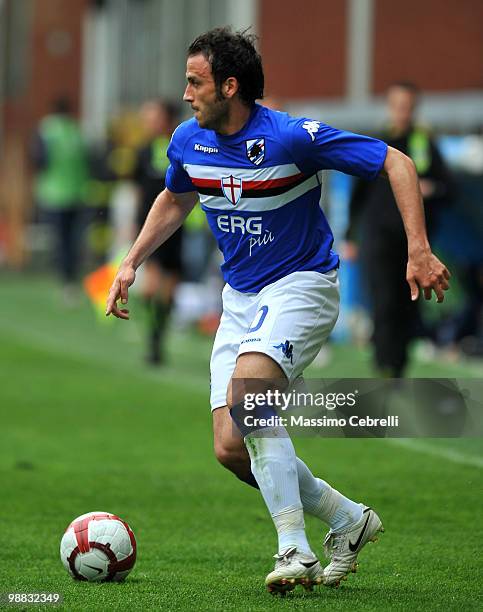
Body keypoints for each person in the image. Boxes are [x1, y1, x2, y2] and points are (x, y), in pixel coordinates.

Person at [106, 28, 450, 594]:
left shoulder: (292, 136)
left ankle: (294, 548)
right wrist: (131, 262)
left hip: (303, 285)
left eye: (195, 82)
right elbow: (175, 195)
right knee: (230, 446)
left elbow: (397, 163)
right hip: (240, 299)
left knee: (251, 395)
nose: (186, 93)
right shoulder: (188, 141)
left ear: (230, 86)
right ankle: (347, 519)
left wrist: (418, 247)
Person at [346, 82, 453, 376]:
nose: (402, 112)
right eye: (397, 105)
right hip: (378, 237)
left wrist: (431, 189)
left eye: (407, 106)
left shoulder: (424, 144)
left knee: (410, 304)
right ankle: (383, 365)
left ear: (414, 108)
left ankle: (399, 368)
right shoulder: (378, 143)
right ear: (389, 106)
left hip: (414, 244)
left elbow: (449, 189)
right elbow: (358, 194)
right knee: (384, 301)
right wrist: (349, 236)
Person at [132, 100, 183, 364]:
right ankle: (153, 341)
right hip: (151, 227)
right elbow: (138, 190)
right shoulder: (142, 151)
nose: (149, 122)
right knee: (150, 287)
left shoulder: (182, 146)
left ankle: (159, 336)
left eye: (153, 117)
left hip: (179, 227)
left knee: (170, 286)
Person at [32, 96, 89, 301]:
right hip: (78, 192)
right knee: (74, 239)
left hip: (53, 193)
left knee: (61, 240)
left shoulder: (46, 129)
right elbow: (89, 160)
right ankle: (73, 278)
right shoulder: (76, 131)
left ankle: (66, 281)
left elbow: (39, 159)